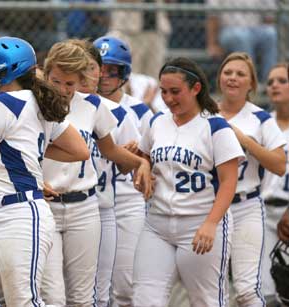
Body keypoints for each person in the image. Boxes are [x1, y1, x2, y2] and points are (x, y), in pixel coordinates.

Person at [0, 36, 90, 307]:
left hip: (20, 214)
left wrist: (20, 150)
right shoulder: (36, 100)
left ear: (7, 72)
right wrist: (25, 151)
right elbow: (79, 150)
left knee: (23, 302)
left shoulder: (5, 103)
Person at [40, 40, 151, 306]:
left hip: (84, 206)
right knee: (53, 296)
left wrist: (140, 163)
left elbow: (111, 150)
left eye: (70, 83)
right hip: (47, 206)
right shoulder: (34, 103)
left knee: (83, 297)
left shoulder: (91, 103)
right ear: (46, 75)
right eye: (57, 81)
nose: (64, 90)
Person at [133, 57, 243, 306]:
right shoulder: (156, 121)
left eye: (175, 91)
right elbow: (144, 157)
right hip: (157, 224)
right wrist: (142, 168)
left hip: (199, 222)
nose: (168, 98)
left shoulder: (215, 126)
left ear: (196, 89)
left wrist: (211, 224)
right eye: (163, 91)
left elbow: (228, 182)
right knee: (144, 298)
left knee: (206, 300)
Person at [70, 38, 143, 307]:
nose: (91, 75)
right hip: (69, 204)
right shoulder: (54, 107)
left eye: (93, 68)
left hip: (107, 202)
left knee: (104, 292)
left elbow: (128, 161)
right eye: (83, 68)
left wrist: (136, 158)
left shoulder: (121, 112)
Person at [217, 52, 286, 306]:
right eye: (228, 73)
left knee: (247, 290)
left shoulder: (260, 118)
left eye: (240, 74)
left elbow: (279, 165)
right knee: (214, 289)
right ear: (219, 79)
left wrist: (245, 140)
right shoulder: (205, 114)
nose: (233, 78)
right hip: (210, 207)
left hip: (246, 206)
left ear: (251, 85)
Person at [93, 35, 154, 307]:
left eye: (112, 70)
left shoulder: (140, 111)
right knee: (92, 287)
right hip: (91, 200)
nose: (104, 76)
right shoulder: (81, 106)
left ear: (124, 73)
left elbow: (155, 157)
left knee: (126, 285)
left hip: (128, 201)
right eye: (100, 69)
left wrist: (142, 155)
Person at [260, 62, 289, 306]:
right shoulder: (262, 124)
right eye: (270, 82)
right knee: (264, 291)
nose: (274, 85)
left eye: (282, 80)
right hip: (264, 214)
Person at [206, 0, 277, 82]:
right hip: (228, 30)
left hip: (255, 29)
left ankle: (270, 81)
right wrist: (213, 44)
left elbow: (269, 17)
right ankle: (249, 83)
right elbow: (212, 17)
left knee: (271, 33)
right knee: (242, 36)